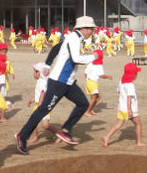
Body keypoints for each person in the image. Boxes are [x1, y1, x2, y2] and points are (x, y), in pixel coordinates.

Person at [15, 16, 98, 154]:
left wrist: (48, 64)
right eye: (91, 28)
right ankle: (21, 136)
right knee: (43, 110)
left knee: (83, 104)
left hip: (68, 82)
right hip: (59, 81)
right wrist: (93, 57)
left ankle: (65, 130)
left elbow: (55, 48)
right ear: (82, 28)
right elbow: (76, 59)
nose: (93, 31)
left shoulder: (76, 38)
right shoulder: (73, 38)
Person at [102, 63, 146, 147]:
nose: (136, 75)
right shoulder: (130, 85)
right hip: (130, 109)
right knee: (138, 123)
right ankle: (139, 142)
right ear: (133, 75)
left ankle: (106, 137)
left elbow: (119, 91)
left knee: (118, 125)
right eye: (136, 73)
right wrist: (129, 109)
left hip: (121, 107)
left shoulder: (121, 82)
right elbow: (129, 98)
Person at [27, 62, 60, 143]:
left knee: (45, 125)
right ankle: (35, 136)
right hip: (39, 104)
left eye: (35, 72)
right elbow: (40, 94)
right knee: (33, 121)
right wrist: (34, 99)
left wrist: (40, 104)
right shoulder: (40, 80)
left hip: (44, 106)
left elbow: (43, 93)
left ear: (40, 72)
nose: (34, 74)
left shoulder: (43, 82)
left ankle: (59, 134)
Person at [83, 50, 112, 117]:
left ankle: (90, 109)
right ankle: (87, 111)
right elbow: (101, 75)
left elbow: (85, 73)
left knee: (97, 96)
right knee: (94, 98)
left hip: (88, 82)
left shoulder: (90, 63)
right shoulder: (99, 66)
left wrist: (88, 79)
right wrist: (108, 76)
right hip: (93, 83)